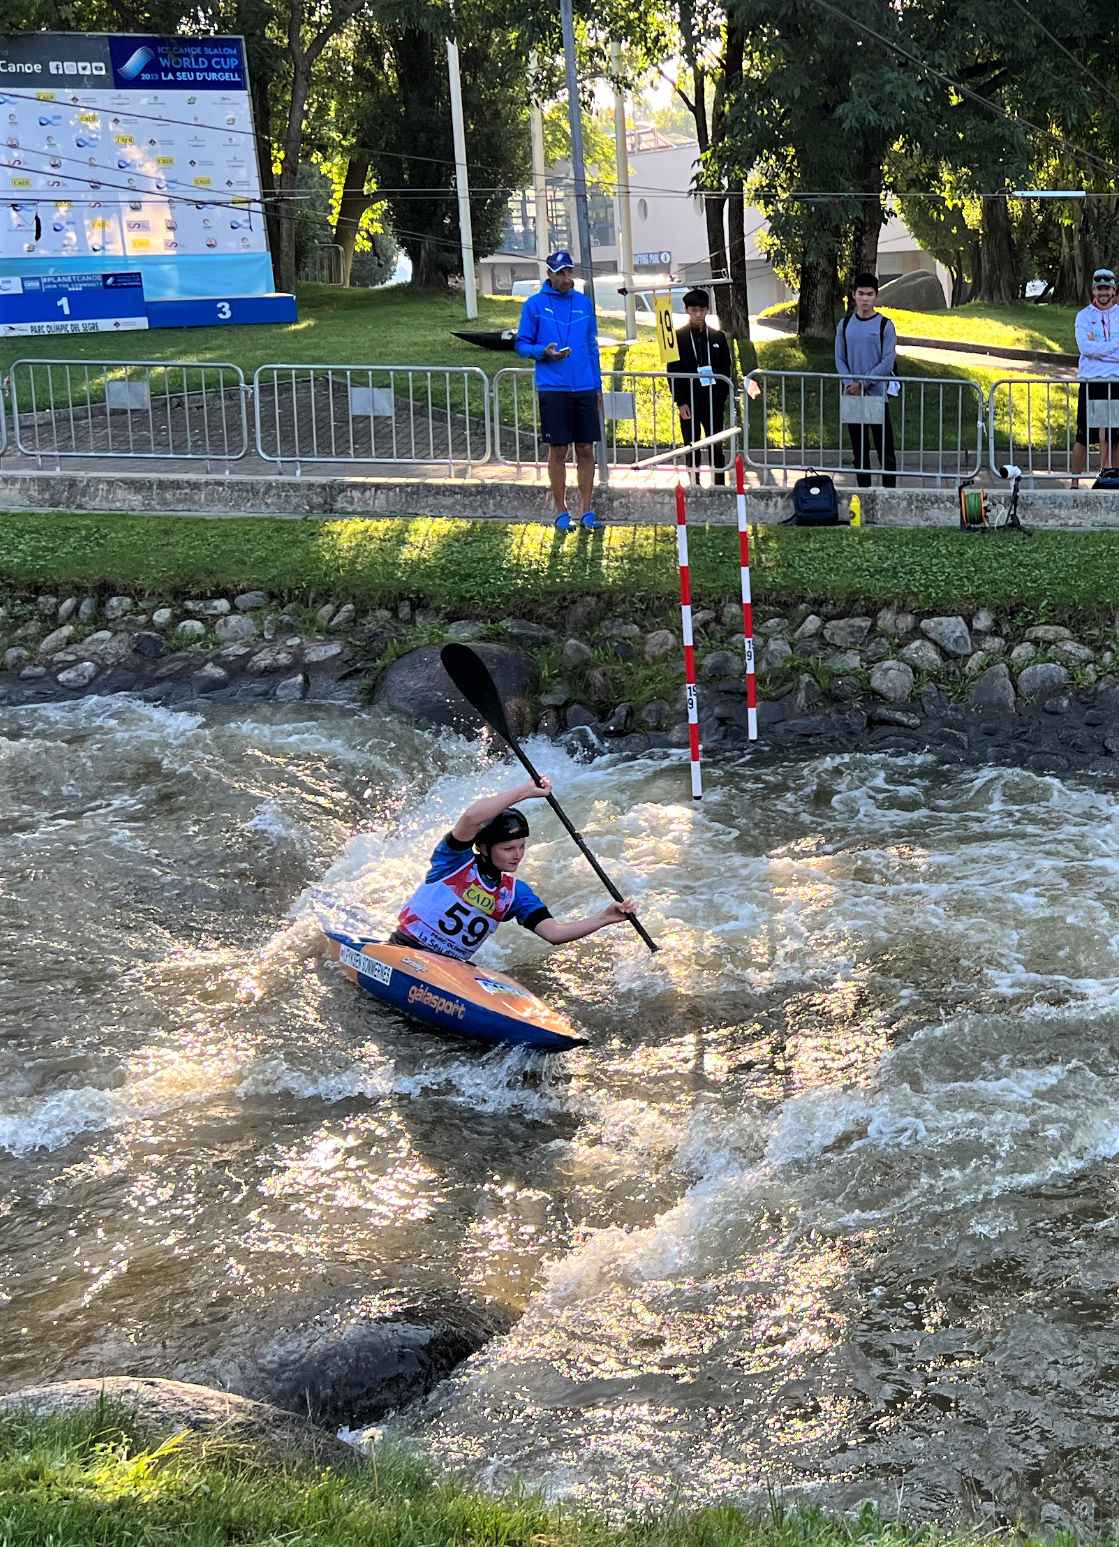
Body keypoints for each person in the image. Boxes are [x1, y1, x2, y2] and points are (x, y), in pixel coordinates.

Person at [392, 777, 634, 961]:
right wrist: (524, 792)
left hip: (449, 967)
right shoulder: (454, 861)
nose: (517, 855)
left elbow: (554, 933)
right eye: (508, 848)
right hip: (406, 949)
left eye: (521, 847)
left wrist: (604, 918)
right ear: (485, 848)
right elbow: (471, 818)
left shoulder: (515, 894)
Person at [514, 251, 605, 534]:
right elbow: (521, 345)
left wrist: (598, 386)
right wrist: (544, 352)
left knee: (586, 448)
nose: (568, 278)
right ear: (550, 275)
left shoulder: (584, 303)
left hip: (584, 386)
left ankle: (587, 510)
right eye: (562, 273)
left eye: (570, 273)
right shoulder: (535, 305)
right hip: (553, 388)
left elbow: (591, 347)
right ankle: (561, 511)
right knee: (559, 450)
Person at [835, 272, 898, 488]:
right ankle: (863, 496)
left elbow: (887, 361)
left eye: (869, 294)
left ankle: (889, 496)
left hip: (877, 398)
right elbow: (840, 359)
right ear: (853, 295)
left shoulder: (885, 326)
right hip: (853, 397)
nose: (865, 299)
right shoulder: (844, 325)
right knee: (859, 454)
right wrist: (850, 385)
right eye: (861, 293)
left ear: (876, 296)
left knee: (885, 453)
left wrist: (864, 384)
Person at [667, 288, 733, 485]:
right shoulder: (677, 337)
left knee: (716, 444)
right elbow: (673, 371)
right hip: (689, 400)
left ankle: (719, 483)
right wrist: (680, 401)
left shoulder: (717, 337)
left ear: (707, 310)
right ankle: (694, 483)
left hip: (713, 398)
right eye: (694, 310)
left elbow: (725, 368)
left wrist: (721, 396)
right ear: (687, 310)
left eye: (702, 310)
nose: (698, 314)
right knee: (691, 445)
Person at [1071, 268, 1119, 486]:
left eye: (1107, 288)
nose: (1103, 293)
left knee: (1116, 438)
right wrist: (1114, 348)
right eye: (1099, 288)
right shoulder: (1084, 316)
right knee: (1083, 437)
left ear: (1113, 289)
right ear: (1093, 290)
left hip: (1116, 382)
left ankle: (1115, 482)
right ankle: (1073, 485)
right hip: (1091, 383)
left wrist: (1100, 349)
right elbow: (1086, 348)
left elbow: (1094, 349)